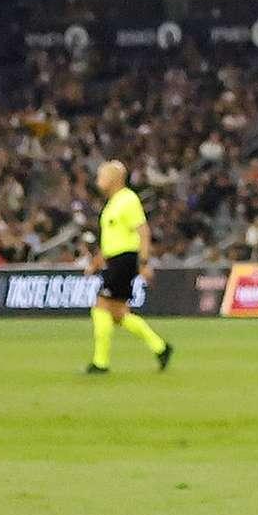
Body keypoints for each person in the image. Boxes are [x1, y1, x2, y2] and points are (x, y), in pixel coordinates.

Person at [84, 159, 172, 376]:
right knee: (119, 313)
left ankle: (100, 362)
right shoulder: (113, 203)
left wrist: (143, 263)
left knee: (101, 307)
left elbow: (143, 232)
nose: (98, 181)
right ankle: (160, 347)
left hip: (125, 260)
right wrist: (96, 262)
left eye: (101, 176)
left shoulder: (128, 200)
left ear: (113, 179)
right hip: (115, 261)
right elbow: (111, 239)